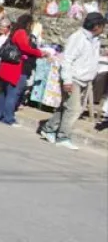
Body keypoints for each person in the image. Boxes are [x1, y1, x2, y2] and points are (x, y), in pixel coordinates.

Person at [40, 12, 105, 150]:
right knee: (74, 109)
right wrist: (67, 80)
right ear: (96, 26)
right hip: (73, 78)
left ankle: (49, 128)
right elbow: (67, 60)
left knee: (66, 106)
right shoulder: (78, 38)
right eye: (102, 26)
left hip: (84, 78)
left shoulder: (95, 40)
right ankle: (63, 136)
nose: (104, 29)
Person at [0, 14, 46, 127]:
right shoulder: (21, 33)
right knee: (13, 94)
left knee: (3, 93)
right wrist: (39, 53)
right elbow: (25, 48)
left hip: (6, 66)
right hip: (15, 68)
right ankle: (8, 118)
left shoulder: (14, 31)